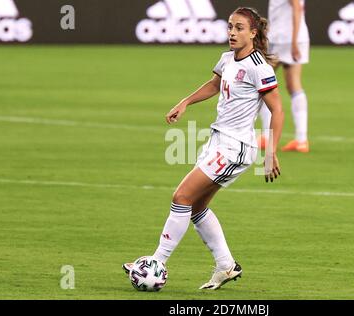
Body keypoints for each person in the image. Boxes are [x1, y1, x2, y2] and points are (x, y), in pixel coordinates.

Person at [122, 7, 284, 290]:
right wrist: (185, 102)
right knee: (197, 207)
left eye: (240, 28)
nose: (232, 33)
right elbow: (214, 85)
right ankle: (226, 265)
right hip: (219, 141)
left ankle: (156, 263)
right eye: (230, 27)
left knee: (182, 195)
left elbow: (277, 109)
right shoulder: (227, 58)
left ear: (254, 33)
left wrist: (271, 152)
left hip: (237, 147)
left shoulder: (259, 68)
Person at [258, 0, 310, 153]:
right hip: (291, 37)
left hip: (283, 39)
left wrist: (293, 41)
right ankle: (301, 140)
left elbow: (297, 8)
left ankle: (267, 137)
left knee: (262, 83)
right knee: (293, 85)